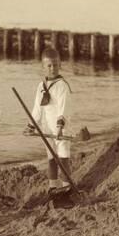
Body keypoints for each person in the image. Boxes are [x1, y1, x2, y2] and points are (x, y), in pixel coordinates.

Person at [27, 48, 73, 195]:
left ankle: (67, 186)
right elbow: (37, 109)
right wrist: (31, 126)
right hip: (47, 129)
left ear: (60, 64)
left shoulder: (62, 86)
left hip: (61, 128)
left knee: (63, 157)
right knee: (51, 158)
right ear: (43, 67)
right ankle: (53, 185)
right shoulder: (41, 86)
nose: (52, 68)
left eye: (55, 64)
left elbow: (64, 109)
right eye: (49, 65)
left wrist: (60, 127)